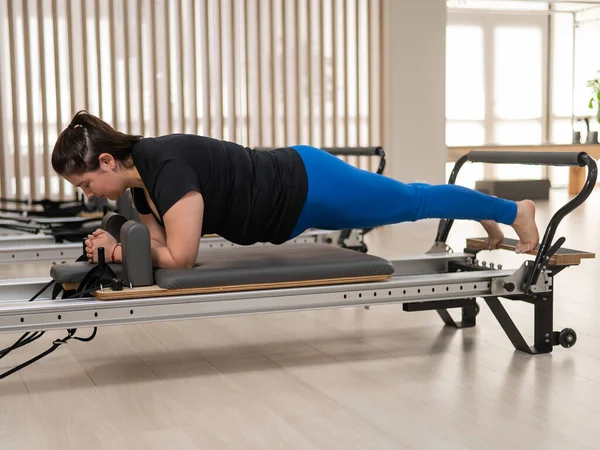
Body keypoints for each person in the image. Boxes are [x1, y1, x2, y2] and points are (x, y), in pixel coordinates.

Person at [51, 111, 539, 269]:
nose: (90, 194)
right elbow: (160, 249)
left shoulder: (166, 167)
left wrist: (119, 251)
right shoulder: (141, 192)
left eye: (87, 182)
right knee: (408, 202)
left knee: (409, 202)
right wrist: (119, 248)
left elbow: (178, 257)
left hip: (307, 183)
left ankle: (514, 209)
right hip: (292, 209)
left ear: (108, 161)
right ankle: (487, 211)